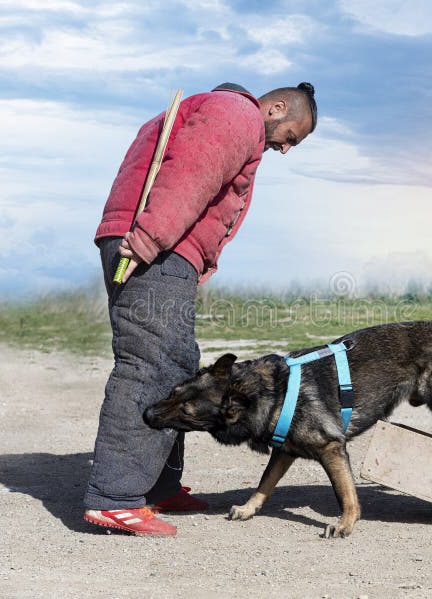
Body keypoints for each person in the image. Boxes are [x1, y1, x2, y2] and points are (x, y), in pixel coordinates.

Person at [83, 82, 317, 536]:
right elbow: (192, 172)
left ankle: (157, 487)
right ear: (278, 107)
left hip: (163, 249)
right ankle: (115, 496)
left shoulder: (223, 113)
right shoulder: (236, 114)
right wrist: (152, 237)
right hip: (155, 246)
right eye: (292, 135)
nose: (286, 148)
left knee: (176, 366)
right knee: (148, 366)